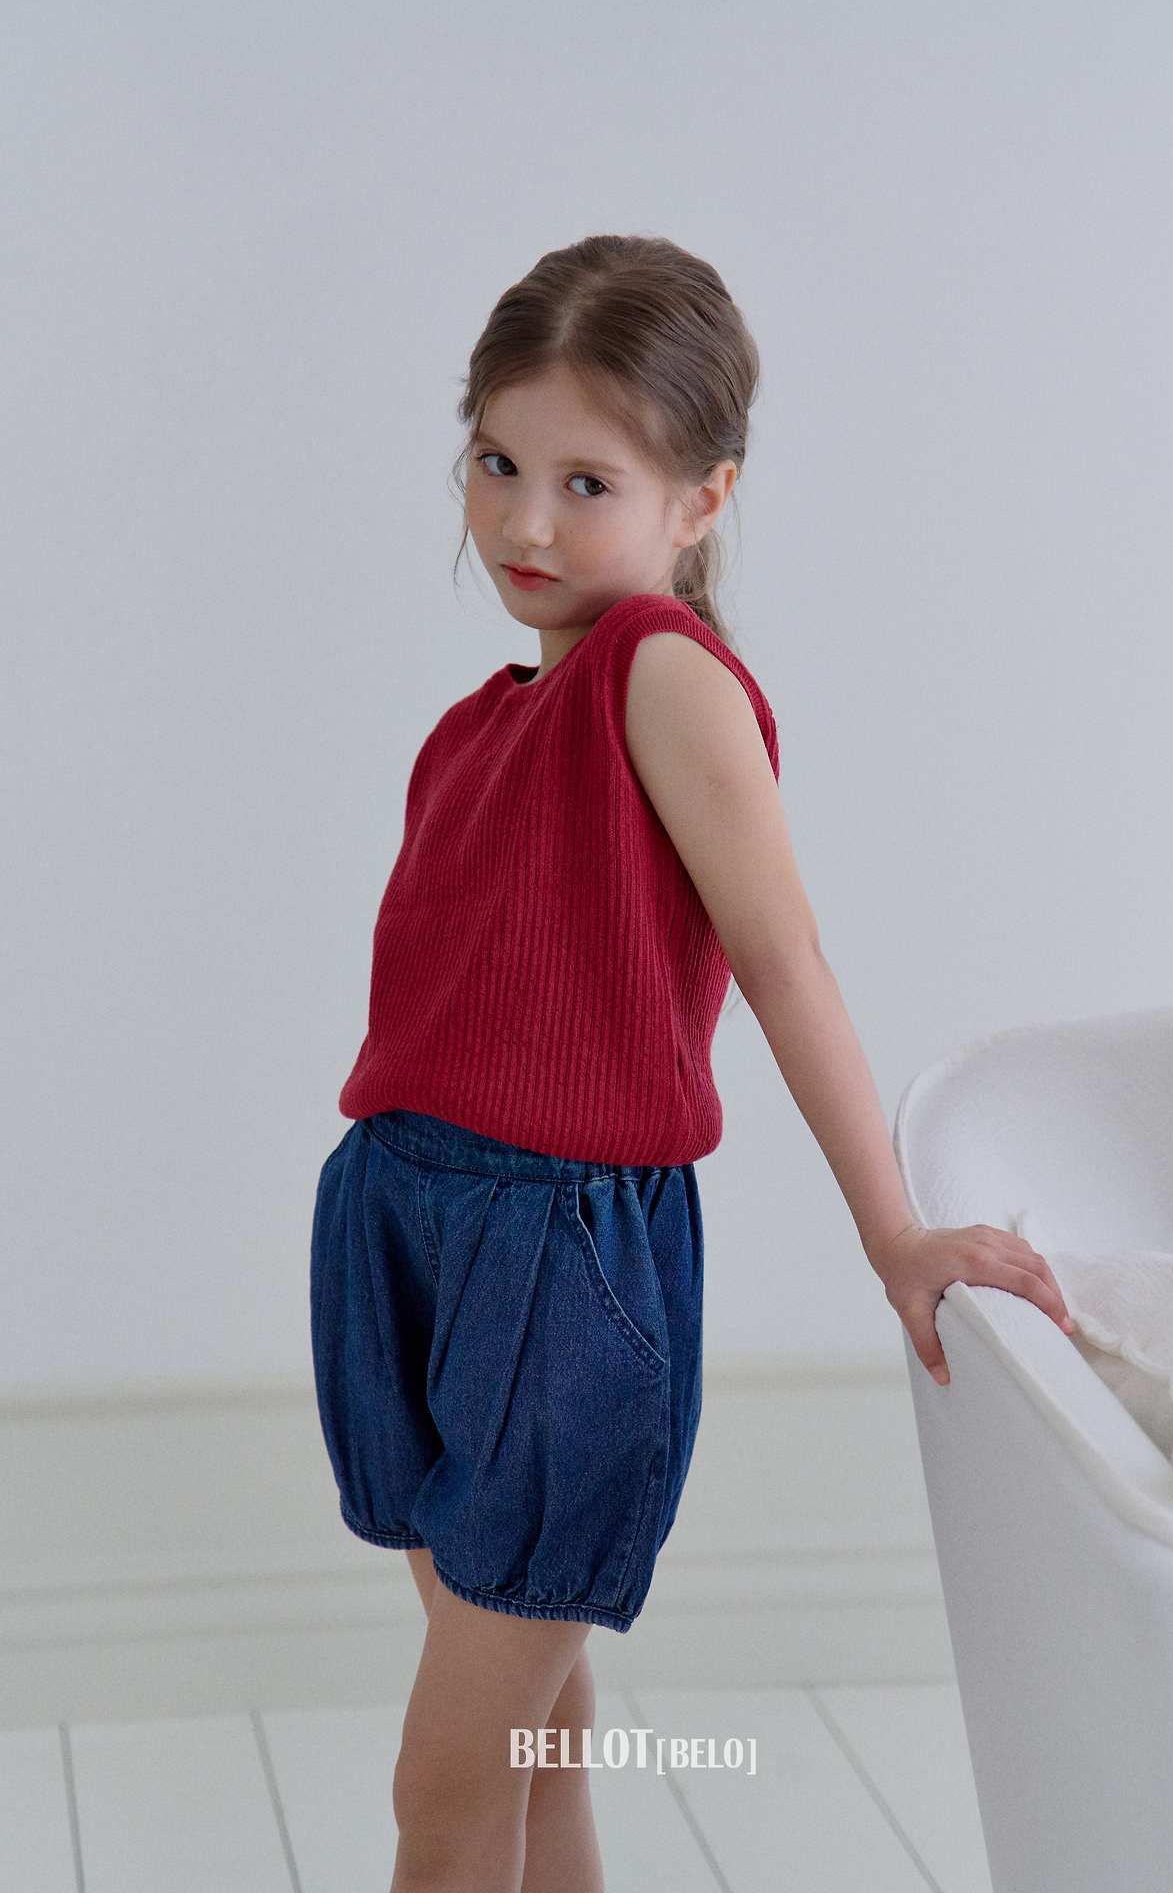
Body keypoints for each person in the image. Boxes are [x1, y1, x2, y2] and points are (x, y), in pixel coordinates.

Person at [308, 232, 1078, 1893]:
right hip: (412, 1223)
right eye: (497, 464)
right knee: (535, 1729)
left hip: (557, 1259)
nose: (525, 524)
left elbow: (786, 964)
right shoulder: (480, 724)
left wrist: (894, 1233)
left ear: (702, 499)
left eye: (586, 483)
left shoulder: (660, 677)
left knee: (447, 1779)